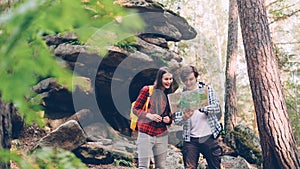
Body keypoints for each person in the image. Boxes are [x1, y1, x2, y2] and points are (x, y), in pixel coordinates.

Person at [173, 65, 223, 169]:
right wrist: (184, 117)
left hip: (209, 136)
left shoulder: (207, 89)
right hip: (190, 139)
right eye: (185, 80)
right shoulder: (180, 97)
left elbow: (217, 108)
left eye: (191, 79)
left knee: (215, 166)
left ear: (196, 77)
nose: (188, 82)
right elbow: (177, 120)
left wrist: (202, 107)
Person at [133, 66, 174, 169]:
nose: (169, 82)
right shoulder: (147, 90)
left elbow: (171, 116)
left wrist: (168, 120)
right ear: (160, 79)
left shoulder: (170, 95)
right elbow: (136, 109)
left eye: (170, 79)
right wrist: (149, 115)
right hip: (146, 132)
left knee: (161, 167)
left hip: (162, 134)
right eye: (166, 79)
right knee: (143, 166)